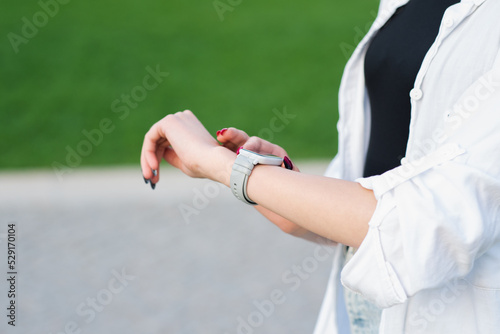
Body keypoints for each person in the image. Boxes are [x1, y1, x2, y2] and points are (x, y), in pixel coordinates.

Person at [140, 0, 500, 332]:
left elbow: (427, 224)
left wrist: (217, 163)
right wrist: (277, 181)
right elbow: (353, 204)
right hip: (359, 307)